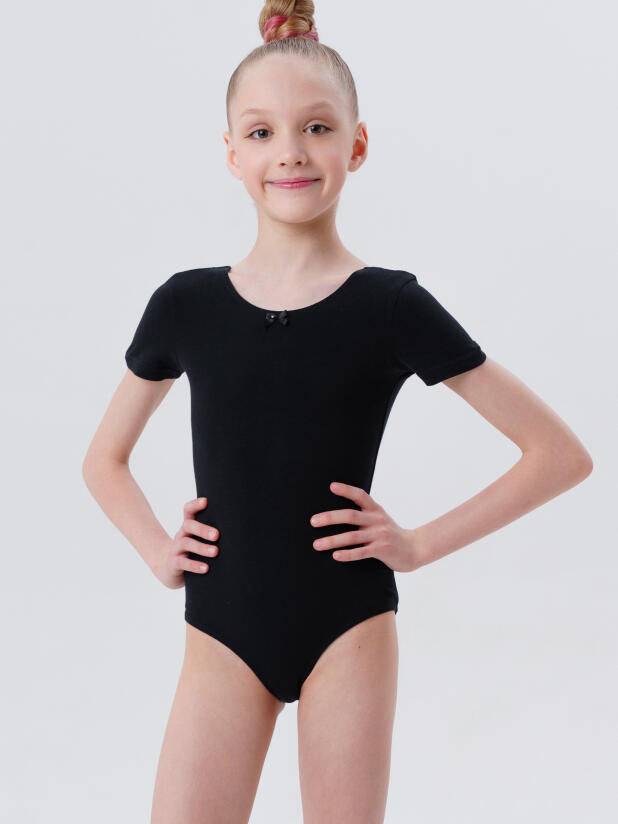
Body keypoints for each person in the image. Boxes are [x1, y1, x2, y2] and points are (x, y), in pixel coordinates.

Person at [82, 2, 594, 822]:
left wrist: (417, 545)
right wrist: (156, 549)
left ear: (356, 145)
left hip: (347, 626)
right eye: (261, 132)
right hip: (220, 629)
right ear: (231, 153)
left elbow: (558, 455)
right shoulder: (185, 305)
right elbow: (102, 460)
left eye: (316, 128)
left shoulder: (389, 306)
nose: (289, 150)